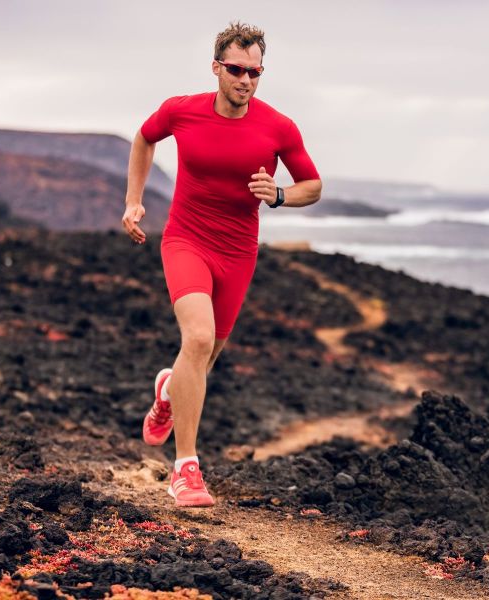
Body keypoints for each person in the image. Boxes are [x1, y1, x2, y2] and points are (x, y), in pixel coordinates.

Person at [121, 20, 322, 507]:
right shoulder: (181, 111)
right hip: (186, 239)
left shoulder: (278, 126)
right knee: (198, 338)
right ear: (217, 68)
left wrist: (277, 194)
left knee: (204, 359)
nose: (245, 80)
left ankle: (168, 390)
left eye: (255, 72)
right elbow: (144, 139)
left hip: (237, 252)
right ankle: (185, 468)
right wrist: (134, 201)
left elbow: (312, 186)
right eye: (236, 70)